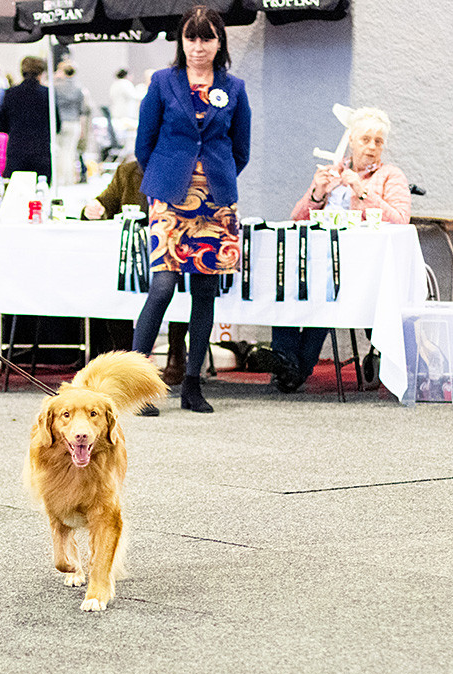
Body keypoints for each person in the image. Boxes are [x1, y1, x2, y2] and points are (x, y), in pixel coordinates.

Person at [129, 5, 251, 415]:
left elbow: (241, 149)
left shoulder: (234, 88)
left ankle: (194, 385)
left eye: (207, 38)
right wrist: (165, 182)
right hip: (168, 198)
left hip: (216, 202)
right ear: (181, 42)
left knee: (204, 292)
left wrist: (214, 178)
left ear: (220, 42)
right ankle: (137, 384)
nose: (199, 47)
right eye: (191, 38)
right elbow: (143, 144)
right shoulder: (164, 82)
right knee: (162, 287)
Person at [268, 106, 411, 393]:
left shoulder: (390, 176)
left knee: (325, 292)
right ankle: (287, 361)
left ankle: (292, 367)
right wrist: (317, 193)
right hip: (317, 260)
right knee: (284, 282)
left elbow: (400, 219)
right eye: (365, 139)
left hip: (361, 268)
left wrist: (362, 190)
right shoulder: (332, 171)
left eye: (378, 141)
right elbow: (297, 220)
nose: (371, 147)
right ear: (351, 142)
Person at [0, 56, 57, 182]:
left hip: (17, 151)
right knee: (40, 192)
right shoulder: (48, 94)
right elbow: (56, 125)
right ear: (42, 72)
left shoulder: (11, 93)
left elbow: (1, 125)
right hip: (41, 151)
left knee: (16, 191)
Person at [54, 61, 88, 185]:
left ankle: (59, 179)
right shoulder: (79, 88)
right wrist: (83, 128)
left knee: (58, 152)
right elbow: (82, 111)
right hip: (74, 122)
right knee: (70, 151)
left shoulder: (56, 87)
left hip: (60, 122)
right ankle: (69, 179)